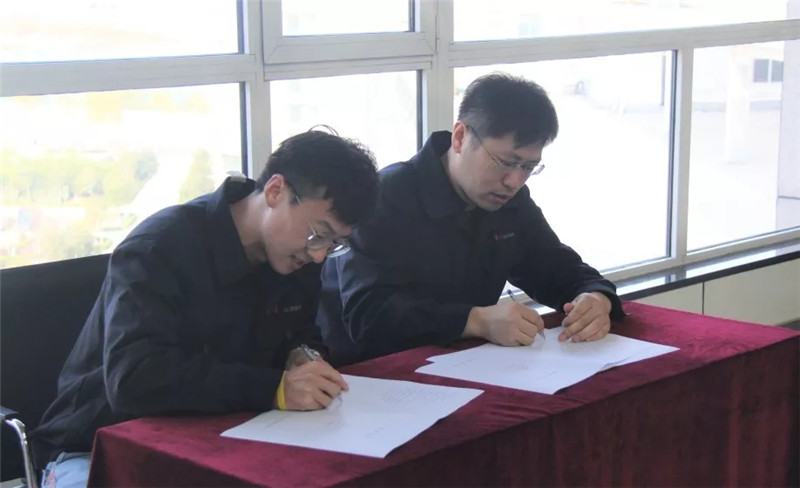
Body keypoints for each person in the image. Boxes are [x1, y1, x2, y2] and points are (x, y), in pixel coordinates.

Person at [30, 129, 379, 488]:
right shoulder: (160, 247)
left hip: (224, 437)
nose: (319, 254)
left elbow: (303, 333)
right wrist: (272, 388)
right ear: (276, 191)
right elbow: (135, 379)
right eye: (318, 233)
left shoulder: (296, 259)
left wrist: (304, 357)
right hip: (97, 444)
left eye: (334, 244)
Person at [317, 73, 625, 366]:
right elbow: (368, 316)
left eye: (529, 167)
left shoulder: (510, 200)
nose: (514, 181)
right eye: (505, 162)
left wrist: (595, 297)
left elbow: (553, 266)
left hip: (465, 366)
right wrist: (475, 320)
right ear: (460, 137)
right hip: (367, 375)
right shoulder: (387, 196)